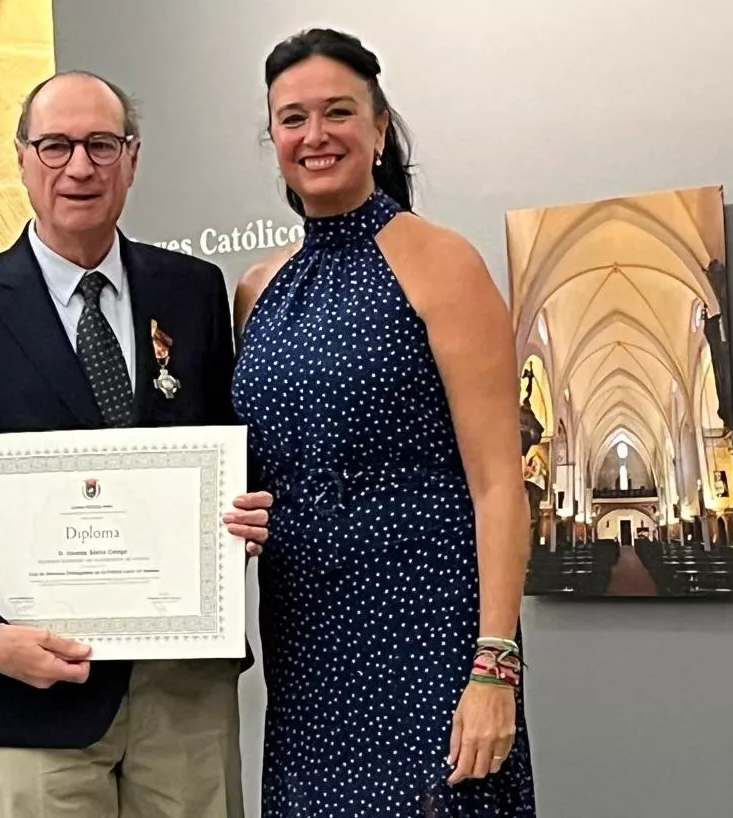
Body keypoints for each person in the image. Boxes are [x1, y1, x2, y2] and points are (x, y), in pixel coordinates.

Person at [0, 70, 271, 818]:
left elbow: (228, 459)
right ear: (22, 159)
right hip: (31, 702)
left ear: (132, 159)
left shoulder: (194, 291)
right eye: (55, 146)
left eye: (101, 144)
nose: (79, 167)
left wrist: (240, 515)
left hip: (181, 693)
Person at [232, 28, 538, 816]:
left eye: (338, 112)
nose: (315, 135)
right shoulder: (257, 291)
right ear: (272, 139)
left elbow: (500, 483)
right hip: (305, 647)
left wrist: (494, 669)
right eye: (292, 119)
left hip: (430, 635)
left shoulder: (443, 263)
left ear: (379, 127)